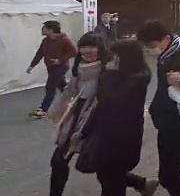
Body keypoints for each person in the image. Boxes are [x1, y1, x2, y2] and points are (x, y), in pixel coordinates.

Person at [134, 20, 180, 196]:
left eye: (151, 45)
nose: (150, 50)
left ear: (166, 38)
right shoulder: (168, 53)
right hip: (167, 121)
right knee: (168, 173)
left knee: (169, 175)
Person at [81, 40, 154, 196]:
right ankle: (142, 184)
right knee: (108, 177)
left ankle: (142, 184)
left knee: (112, 182)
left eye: (114, 56)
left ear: (125, 57)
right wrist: (85, 131)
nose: (111, 60)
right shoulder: (123, 75)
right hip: (108, 136)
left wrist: (108, 74)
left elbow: (110, 99)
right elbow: (101, 106)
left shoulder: (137, 78)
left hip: (121, 139)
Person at [46, 32, 108, 196]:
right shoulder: (79, 68)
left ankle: (140, 183)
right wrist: (55, 109)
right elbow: (70, 91)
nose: (87, 51)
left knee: (103, 166)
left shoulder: (108, 70)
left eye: (92, 47)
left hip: (96, 120)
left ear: (100, 49)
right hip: (76, 117)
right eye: (83, 47)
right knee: (58, 160)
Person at [27, 20, 77, 119]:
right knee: (61, 85)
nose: (42, 30)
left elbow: (74, 51)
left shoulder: (64, 40)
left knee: (50, 86)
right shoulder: (46, 40)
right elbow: (40, 53)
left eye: (44, 28)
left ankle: (43, 109)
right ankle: (74, 100)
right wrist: (32, 65)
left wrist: (60, 60)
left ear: (51, 30)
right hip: (50, 66)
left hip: (61, 66)